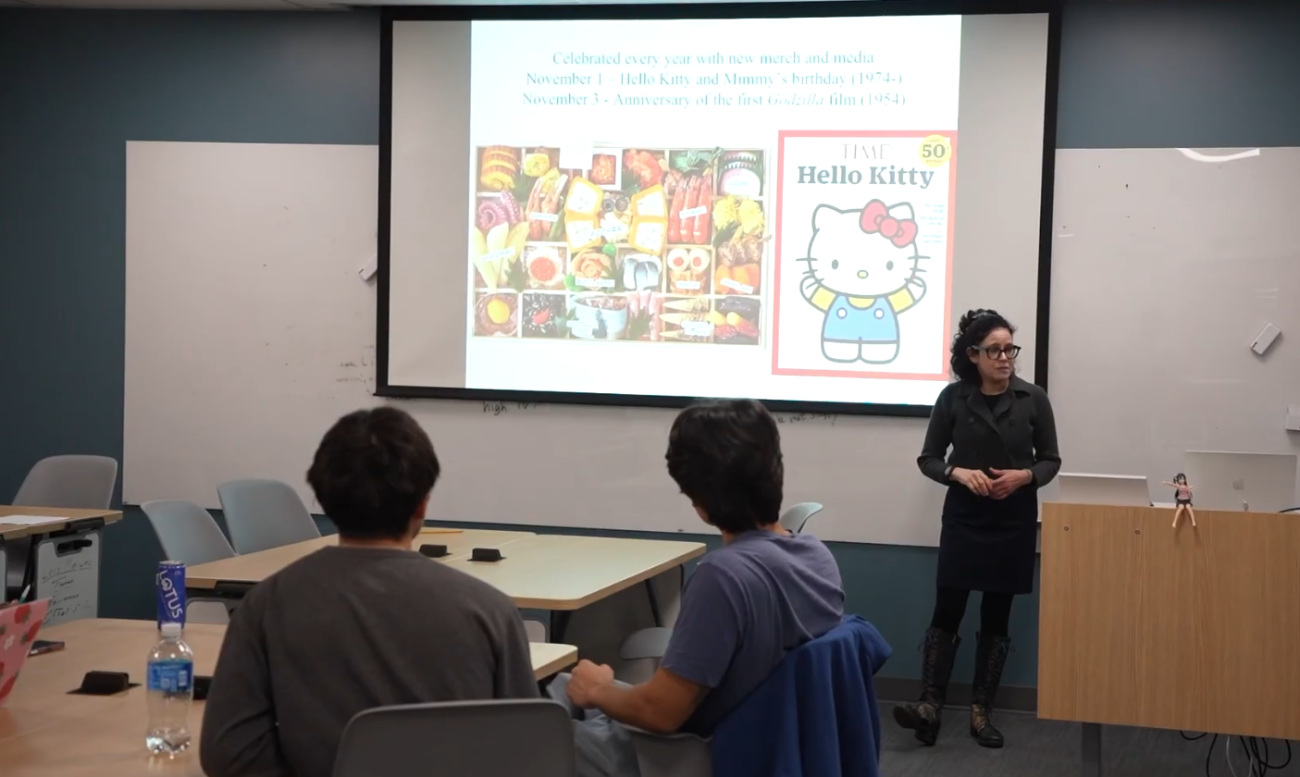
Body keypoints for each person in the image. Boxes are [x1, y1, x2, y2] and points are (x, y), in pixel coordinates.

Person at [200, 407, 538, 777]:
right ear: (423, 503)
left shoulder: (266, 604)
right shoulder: (489, 611)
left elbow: (229, 755)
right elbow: (525, 754)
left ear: (324, 498)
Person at [562, 399, 845, 739]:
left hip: (686, 754)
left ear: (698, 502)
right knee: (559, 687)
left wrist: (599, 691)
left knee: (534, 731)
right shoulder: (816, 555)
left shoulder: (723, 577)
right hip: (769, 740)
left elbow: (661, 713)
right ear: (775, 469)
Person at [893, 309, 1060, 749]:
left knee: (996, 615)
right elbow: (928, 458)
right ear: (974, 355)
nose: (1005, 358)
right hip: (965, 518)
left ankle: (981, 712)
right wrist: (957, 473)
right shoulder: (952, 398)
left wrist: (1024, 477)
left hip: (1013, 521)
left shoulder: (1033, 398)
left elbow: (1050, 460)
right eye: (995, 350)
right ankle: (929, 706)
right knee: (947, 609)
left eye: (1010, 349)